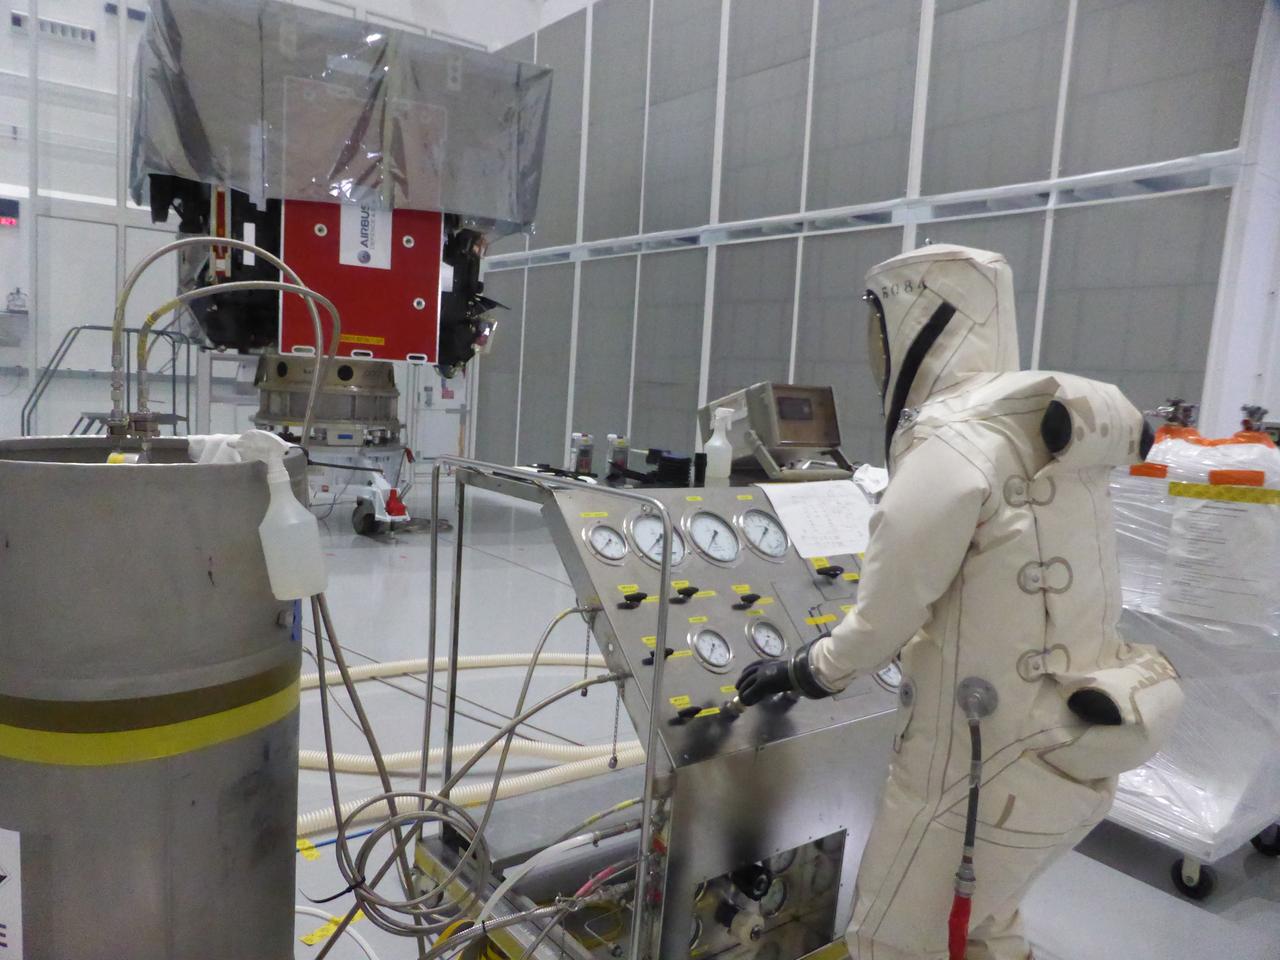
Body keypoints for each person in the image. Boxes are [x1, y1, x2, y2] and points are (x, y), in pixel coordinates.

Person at [735, 244, 1182, 960]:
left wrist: (802, 671)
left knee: (891, 936)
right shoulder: (1049, 430)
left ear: (917, 323)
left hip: (974, 765)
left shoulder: (954, 440)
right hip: (1074, 744)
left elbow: (884, 618)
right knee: (985, 920)